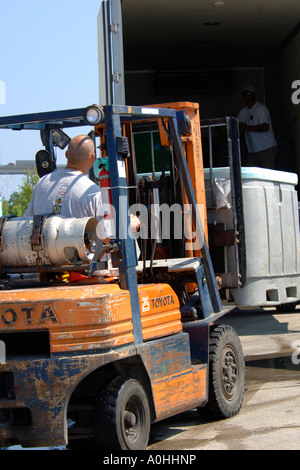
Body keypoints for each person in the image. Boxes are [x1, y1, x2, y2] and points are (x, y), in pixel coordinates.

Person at [25, 134, 140, 240]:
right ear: (93, 158)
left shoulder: (42, 183)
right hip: (82, 260)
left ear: (66, 155)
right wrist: (131, 226)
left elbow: (27, 223)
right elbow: (108, 238)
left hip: (44, 258)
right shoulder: (93, 192)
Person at [237, 85, 278, 169]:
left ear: (253, 95)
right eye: (244, 95)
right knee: (251, 176)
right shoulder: (243, 111)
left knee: (268, 176)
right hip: (252, 151)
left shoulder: (261, 109)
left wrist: (246, 127)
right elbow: (236, 124)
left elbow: (265, 127)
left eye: (248, 94)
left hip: (266, 149)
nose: (246, 97)